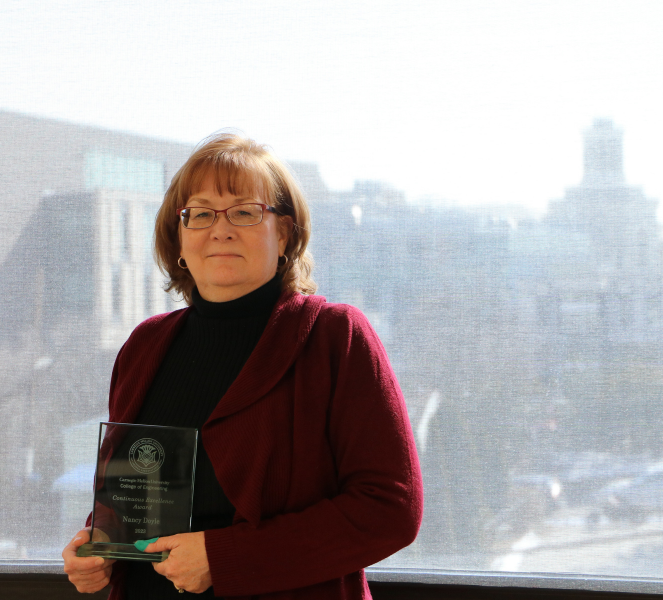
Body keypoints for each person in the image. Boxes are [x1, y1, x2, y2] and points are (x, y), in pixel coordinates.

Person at [62, 133, 423, 599]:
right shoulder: (144, 345)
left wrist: (223, 558)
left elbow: (391, 509)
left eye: (245, 212)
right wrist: (99, 543)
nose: (221, 228)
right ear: (179, 239)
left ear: (285, 234)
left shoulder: (336, 337)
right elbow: (138, 491)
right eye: (202, 213)